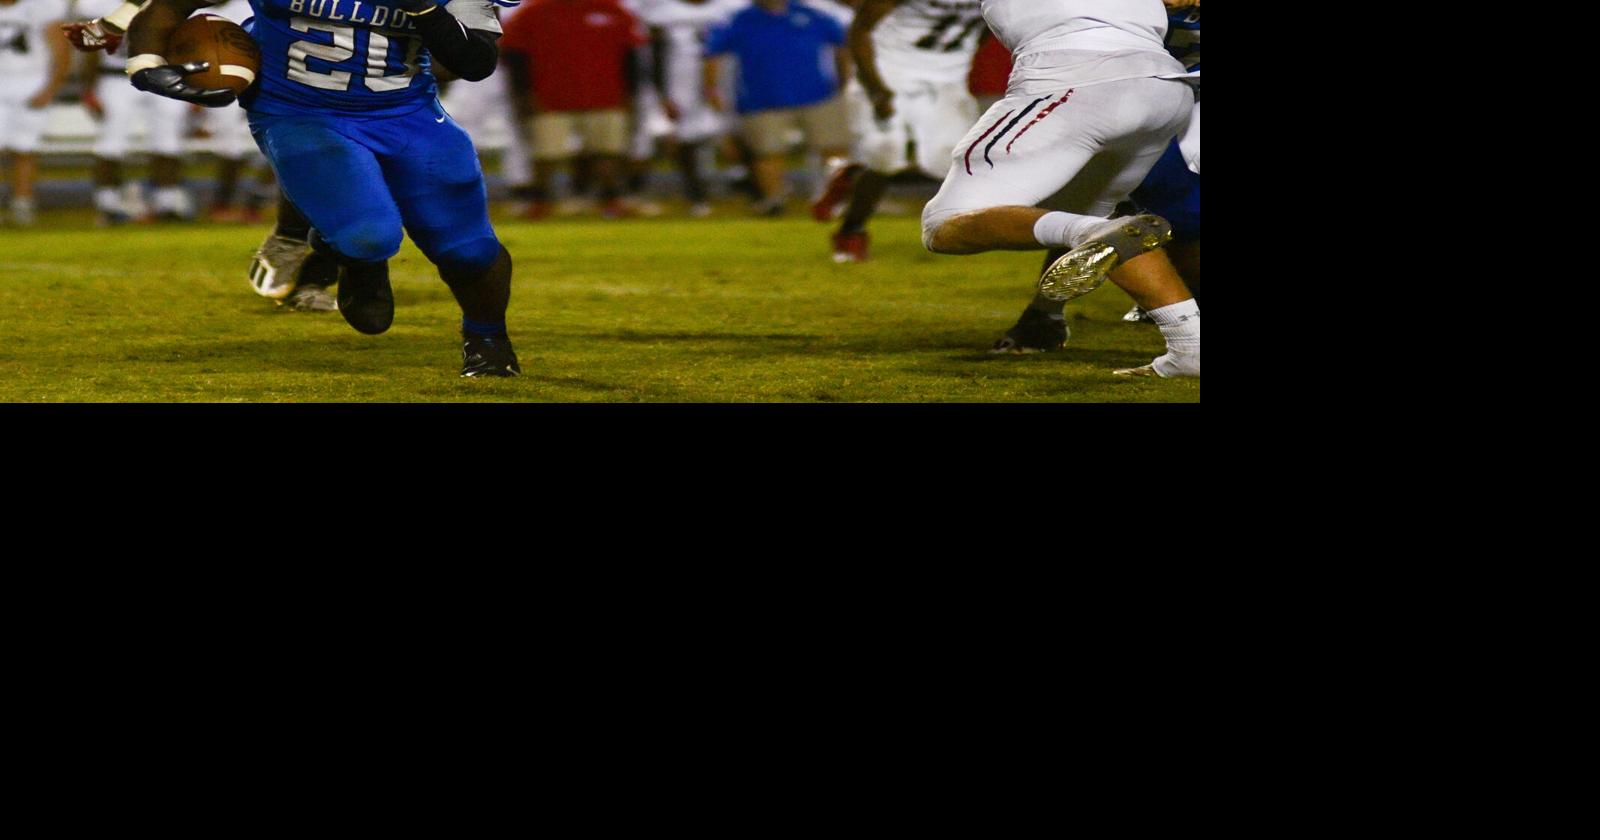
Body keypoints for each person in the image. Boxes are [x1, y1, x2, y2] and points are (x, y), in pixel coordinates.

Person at [127, 0, 525, 377]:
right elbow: (171, 5)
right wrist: (144, 63)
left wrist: (422, 9)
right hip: (296, 112)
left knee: (468, 249)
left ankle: (487, 340)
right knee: (370, 235)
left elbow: (475, 63)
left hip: (406, 111)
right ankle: (351, 252)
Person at [919, 0, 1199, 378]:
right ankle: (1190, 347)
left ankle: (1089, 234)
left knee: (943, 222)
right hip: (1166, 89)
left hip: (1075, 77)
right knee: (1099, 217)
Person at [816, 0, 984, 262]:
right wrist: (876, 90)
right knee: (886, 155)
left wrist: (951, 61)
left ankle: (852, 177)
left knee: (947, 163)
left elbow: (993, 28)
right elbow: (860, 30)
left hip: (945, 81)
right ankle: (851, 232)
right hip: (889, 72)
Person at [500, 0, 648, 220]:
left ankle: (611, 199)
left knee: (608, 151)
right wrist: (524, 95)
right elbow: (515, 56)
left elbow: (631, 55)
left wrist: (630, 95)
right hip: (550, 97)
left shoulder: (612, 9)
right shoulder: (533, 12)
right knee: (546, 153)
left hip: (604, 95)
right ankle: (539, 201)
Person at [703, 0, 852, 216]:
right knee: (767, 153)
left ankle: (838, 200)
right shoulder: (738, 19)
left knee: (834, 147)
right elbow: (712, 55)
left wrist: (843, 80)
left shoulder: (812, 14)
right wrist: (711, 90)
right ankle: (774, 201)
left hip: (816, 93)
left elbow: (841, 44)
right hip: (762, 97)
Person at [77, 0, 197, 223]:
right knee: (111, 143)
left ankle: (167, 201)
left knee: (168, 142)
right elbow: (92, 46)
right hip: (116, 75)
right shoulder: (98, 4)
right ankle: (108, 203)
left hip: (163, 72)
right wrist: (89, 88)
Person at [0, 0, 70, 227]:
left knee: (25, 148)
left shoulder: (41, 8)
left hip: (31, 83)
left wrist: (50, 89)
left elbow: (61, 50)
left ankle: (22, 203)